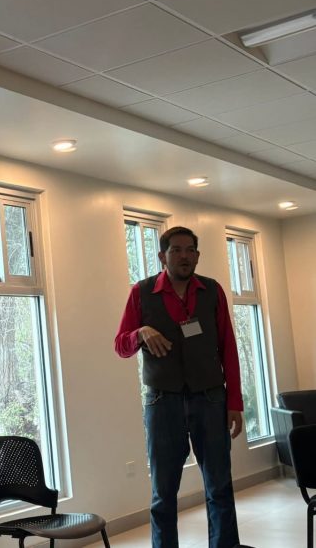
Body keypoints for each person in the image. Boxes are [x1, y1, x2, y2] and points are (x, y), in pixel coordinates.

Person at [114, 226, 244, 548]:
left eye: (190, 250)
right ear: (163, 256)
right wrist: (140, 332)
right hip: (162, 401)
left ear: (197, 256)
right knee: (163, 493)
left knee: (219, 487)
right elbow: (121, 346)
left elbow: (228, 347)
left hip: (211, 397)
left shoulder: (212, 291)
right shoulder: (141, 292)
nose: (184, 256)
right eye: (176, 250)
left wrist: (234, 402)